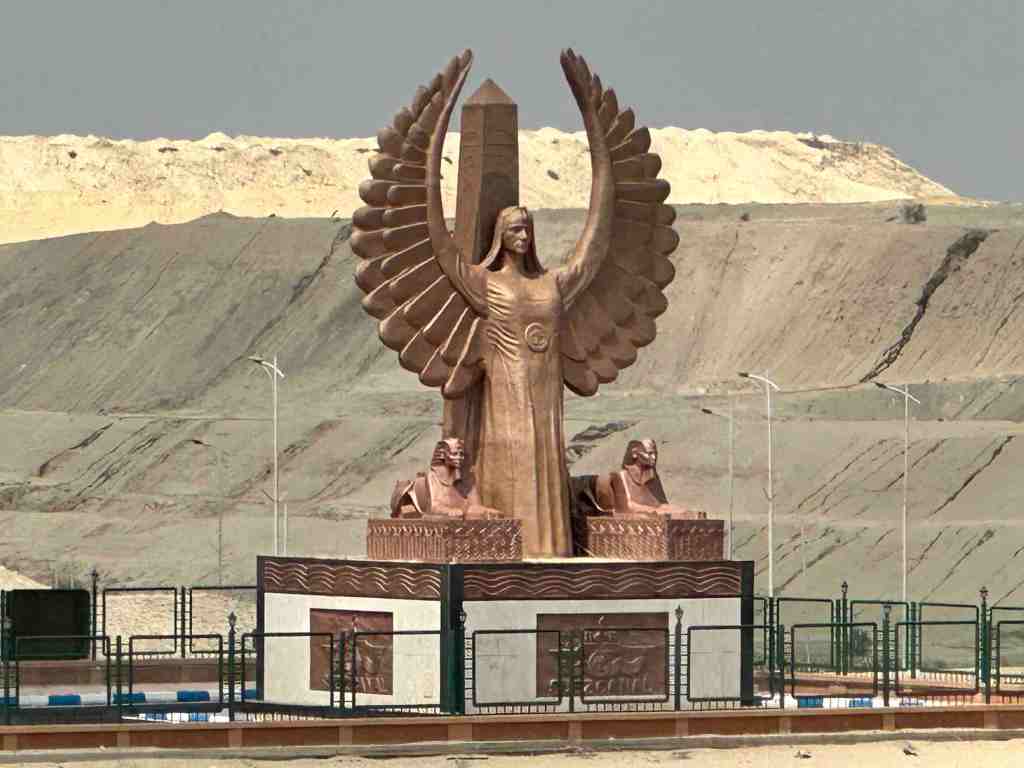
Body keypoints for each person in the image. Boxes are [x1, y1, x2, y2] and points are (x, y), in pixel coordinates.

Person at [390, 438, 505, 520]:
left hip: (458, 517)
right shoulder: (433, 477)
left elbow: (474, 506)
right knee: (406, 491)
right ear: (443, 455)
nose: (459, 457)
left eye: (461, 454)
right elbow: (434, 507)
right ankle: (401, 510)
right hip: (419, 505)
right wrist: (448, 511)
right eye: (454, 454)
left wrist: (485, 511)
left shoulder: (468, 479)